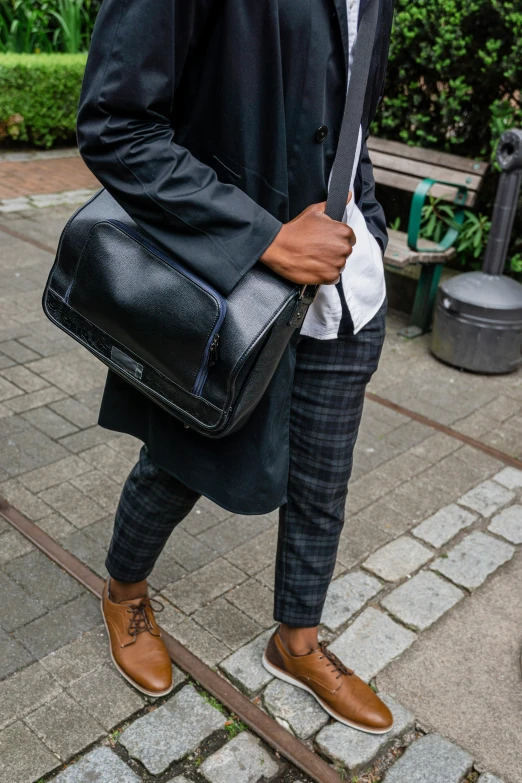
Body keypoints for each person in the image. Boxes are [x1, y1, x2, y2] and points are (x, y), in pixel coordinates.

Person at [77, 0, 395, 734]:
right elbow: (115, 123)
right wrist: (264, 239)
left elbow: (349, 114)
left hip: (347, 289)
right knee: (183, 458)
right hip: (233, 287)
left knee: (323, 477)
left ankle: (298, 640)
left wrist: (367, 219)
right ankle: (124, 591)